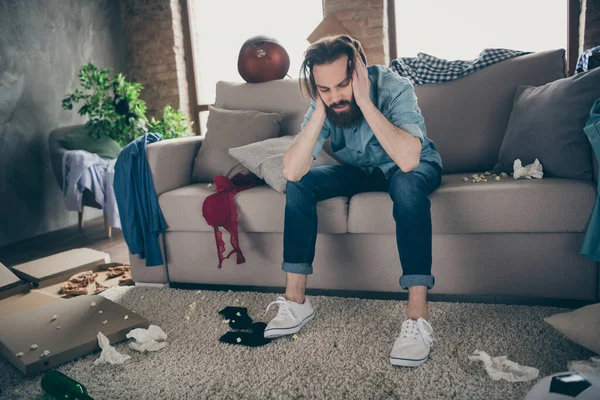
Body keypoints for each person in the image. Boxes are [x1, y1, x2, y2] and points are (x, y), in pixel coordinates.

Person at [263, 35, 443, 367]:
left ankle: (417, 318)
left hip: (412, 166)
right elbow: (291, 170)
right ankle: (296, 300)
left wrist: (365, 100)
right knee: (300, 184)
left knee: (405, 185)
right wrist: (320, 107)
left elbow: (407, 160)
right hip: (362, 170)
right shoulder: (326, 100)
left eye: (342, 85)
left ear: (358, 70)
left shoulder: (393, 87)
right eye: (325, 88)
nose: (336, 96)